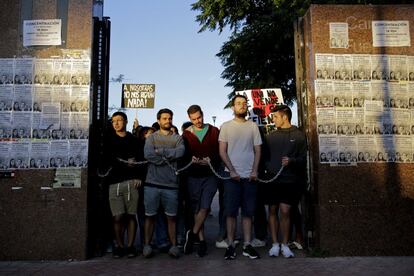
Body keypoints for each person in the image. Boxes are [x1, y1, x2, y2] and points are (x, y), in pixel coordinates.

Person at [218, 94, 262, 260]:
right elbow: (222, 151)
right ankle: (230, 245)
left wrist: (255, 170)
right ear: (233, 107)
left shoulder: (253, 126)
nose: (242, 106)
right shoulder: (226, 127)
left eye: (244, 103)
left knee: (248, 213)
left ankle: (247, 245)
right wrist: (232, 170)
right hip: (231, 177)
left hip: (250, 177)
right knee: (230, 212)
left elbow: (258, 150)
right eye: (238, 103)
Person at [263, 105, 307, 258]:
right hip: (272, 179)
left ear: (284, 117)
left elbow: (303, 159)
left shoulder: (299, 135)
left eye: (275, 117)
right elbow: (263, 157)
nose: (273, 119)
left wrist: (292, 161)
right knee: (273, 211)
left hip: (290, 180)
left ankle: (284, 244)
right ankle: (275, 244)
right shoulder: (269, 136)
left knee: (285, 211)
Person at [143, 108, 185, 259]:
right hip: (152, 184)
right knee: (150, 216)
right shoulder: (151, 138)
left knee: (172, 218)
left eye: (170, 118)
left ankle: (173, 246)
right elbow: (148, 155)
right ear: (159, 120)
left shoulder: (177, 138)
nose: (168, 121)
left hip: (171, 185)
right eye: (165, 118)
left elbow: (180, 152)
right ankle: (147, 245)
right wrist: (168, 156)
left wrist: (160, 152)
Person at [103, 111, 145, 258]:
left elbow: (140, 160)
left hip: (131, 182)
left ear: (126, 122)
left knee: (131, 216)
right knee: (117, 216)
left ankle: (130, 246)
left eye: (119, 120)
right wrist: (128, 163)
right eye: (114, 121)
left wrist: (138, 176)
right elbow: (108, 160)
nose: (116, 123)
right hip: (114, 183)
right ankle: (119, 245)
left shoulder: (134, 140)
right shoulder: (108, 140)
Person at [181, 105, 220, 257]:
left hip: (210, 175)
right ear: (190, 119)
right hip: (193, 175)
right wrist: (191, 159)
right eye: (194, 119)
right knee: (197, 210)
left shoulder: (214, 131)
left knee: (205, 207)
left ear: (203, 115)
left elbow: (221, 151)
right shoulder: (186, 134)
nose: (197, 121)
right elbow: (183, 155)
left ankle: (192, 234)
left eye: (199, 117)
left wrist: (212, 160)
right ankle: (202, 241)